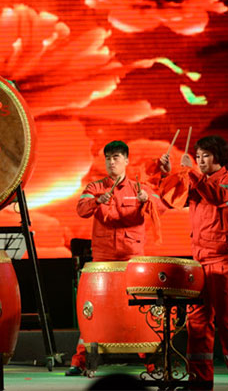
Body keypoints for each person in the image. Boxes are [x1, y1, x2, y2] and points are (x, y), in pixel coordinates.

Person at [159, 135, 228, 390]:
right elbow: (170, 200)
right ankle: (199, 380)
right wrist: (168, 174)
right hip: (199, 261)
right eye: (198, 156)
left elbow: (217, 197)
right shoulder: (197, 181)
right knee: (197, 322)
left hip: (225, 261)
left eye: (205, 156)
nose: (200, 161)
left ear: (218, 156)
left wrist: (192, 174)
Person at [68, 140, 165, 375]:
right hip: (103, 261)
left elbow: (161, 207)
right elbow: (81, 209)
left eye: (116, 157)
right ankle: (80, 361)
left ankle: (151, 362)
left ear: (126, 160)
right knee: (93, 312)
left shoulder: (139, 187)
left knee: (140, 311)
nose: (111, 162)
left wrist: (147, 199)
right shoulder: (95, 187)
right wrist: (96, 201)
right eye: (108, 158)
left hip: (132, 259)